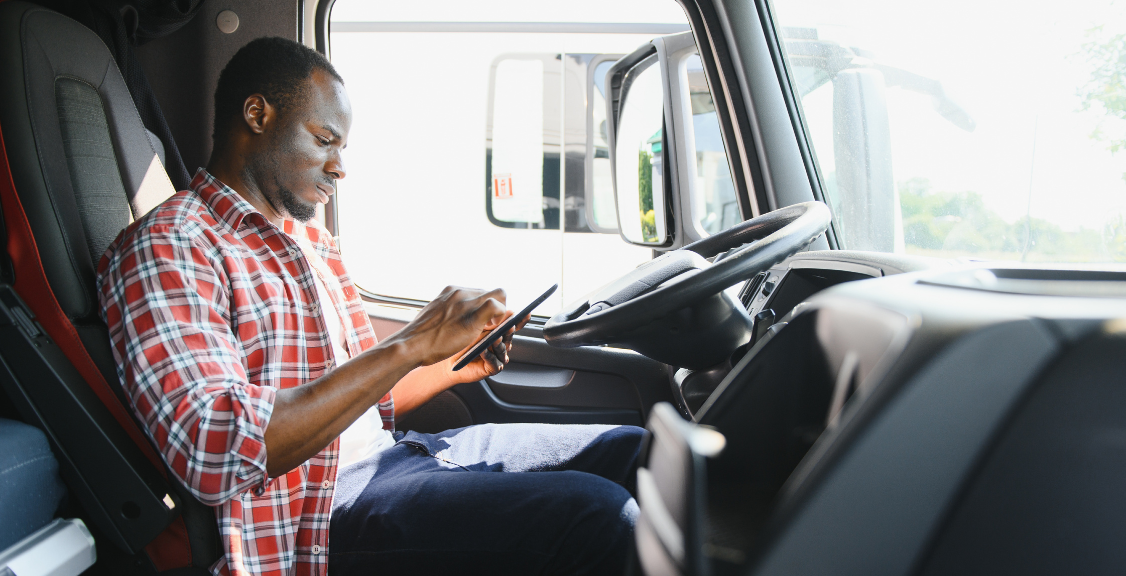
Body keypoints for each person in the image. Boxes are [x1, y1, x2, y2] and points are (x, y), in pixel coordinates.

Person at [97, 37, 646, 576]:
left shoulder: (309, 241)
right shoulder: (172, 243)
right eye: (324, 140)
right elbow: (213, 450)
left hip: (393, 457)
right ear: (257, 115)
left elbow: (368, 402)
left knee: (634, 452)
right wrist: (409, 344)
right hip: (313, 513)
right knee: (598, 515)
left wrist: (447, 367)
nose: (340, 167)